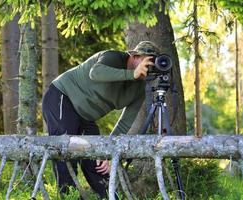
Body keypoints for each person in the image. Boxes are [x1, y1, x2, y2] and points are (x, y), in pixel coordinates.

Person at [42, 41, 161, 199]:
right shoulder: (112, 57)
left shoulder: (139, 89)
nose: (148, 67)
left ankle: (109, 197)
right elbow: (95, 73)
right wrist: (131, 74)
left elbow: (125, 122)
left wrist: (108, 151)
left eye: (152, 64)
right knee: (65, 154)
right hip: (62, 97)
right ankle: (68, 196)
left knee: (99, 161)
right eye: (147, 61)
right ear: (135, 56)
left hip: (86, 117)